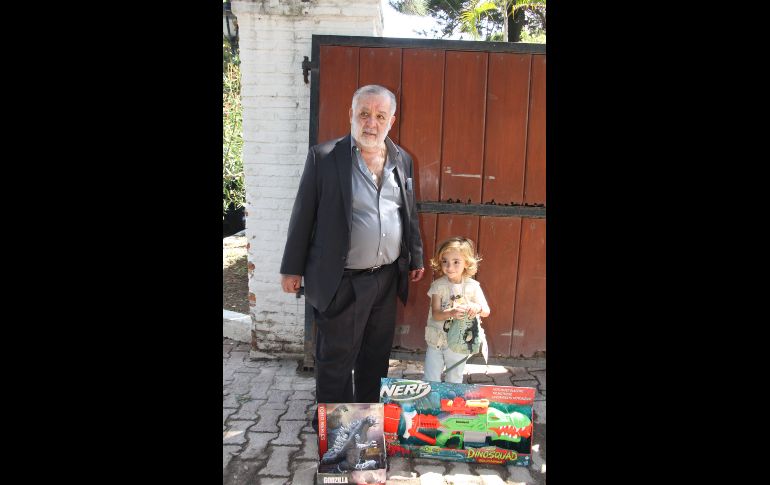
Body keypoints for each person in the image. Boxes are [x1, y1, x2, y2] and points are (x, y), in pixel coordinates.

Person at [280, 85, 425, 417]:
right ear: (351, 114)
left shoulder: (403, 159)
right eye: (364, 114)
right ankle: (334, 427)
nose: (371, 123)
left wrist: (415, 256)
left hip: (386, 278)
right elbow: (303, 215)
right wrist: (292, 268)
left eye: (379, 116)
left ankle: (367, 420)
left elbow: (408, 212)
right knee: (336, 357)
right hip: (340, 279)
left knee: (375, 354)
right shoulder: (324, 158)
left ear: (392, 119)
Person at [422, 236, 490, 384]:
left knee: (454, 378)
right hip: (437, 340)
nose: (449, 267)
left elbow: (486, 310)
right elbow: (436, 314)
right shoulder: (437, 286)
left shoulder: (473, 286)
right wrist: (451, 312)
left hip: (459, 342)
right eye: (445, 261)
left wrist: (476, 307)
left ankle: (451, 404)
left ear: (466, 263)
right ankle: (430, 404)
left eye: (456, 262)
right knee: (431, 377)